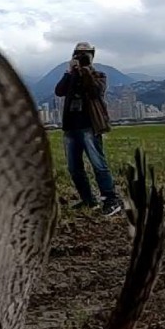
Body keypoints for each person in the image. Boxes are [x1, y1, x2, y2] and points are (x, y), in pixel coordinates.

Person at [54, 41, 122, 216]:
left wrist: (86, 71)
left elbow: (94, 91)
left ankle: (110, 199)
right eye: (78, 54)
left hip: (89, 126)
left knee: (98, 164)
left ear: (92, 57)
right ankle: (88, 200)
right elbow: (59, 91)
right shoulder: (71, 75)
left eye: (85, 54)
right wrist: (69, 72)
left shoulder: (98, 75)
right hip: (70, 127)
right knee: (74, 168)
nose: (82, 57)